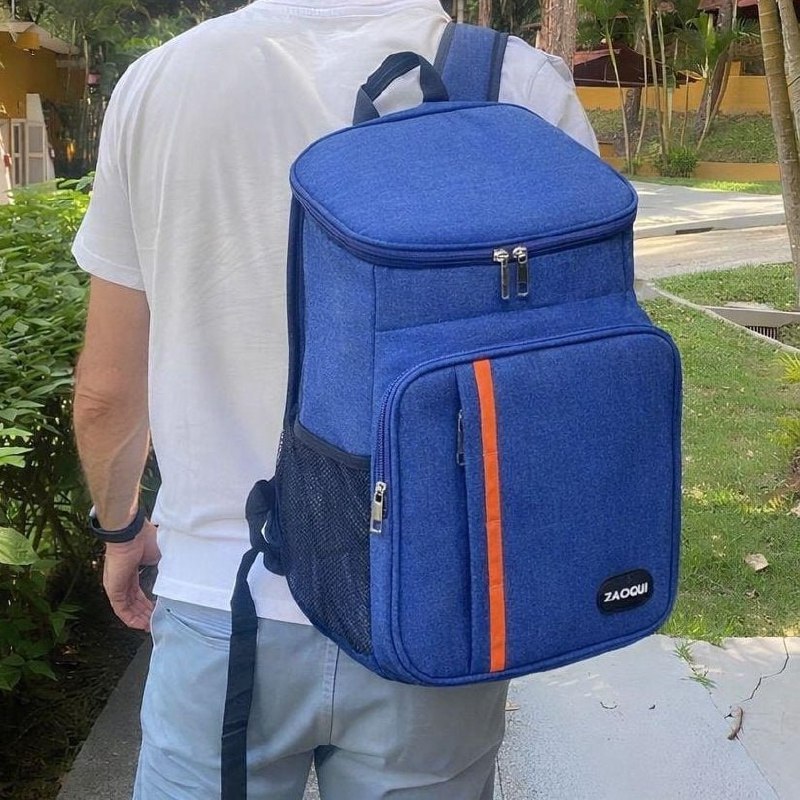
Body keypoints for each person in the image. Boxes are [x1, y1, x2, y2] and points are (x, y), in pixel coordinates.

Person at [72, 1, 598, 797]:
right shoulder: (517, 82)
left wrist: (120, 528)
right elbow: (574, 367)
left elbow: (107, 389)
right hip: (432, 595)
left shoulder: (159, 84)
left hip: (223, 594)